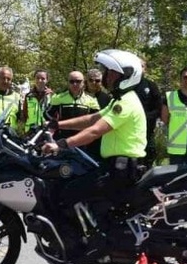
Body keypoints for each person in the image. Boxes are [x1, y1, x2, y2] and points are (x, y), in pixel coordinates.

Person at [40, 49, 148, 195]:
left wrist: (59, 145)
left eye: (112, 73)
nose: (107, 77)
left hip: (123, 169)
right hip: (116, 166)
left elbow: (95, 131)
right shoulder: (119, 100)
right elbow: (92, 119)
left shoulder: (125, 103)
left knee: (71, 192)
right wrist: (57, 124)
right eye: (107, 72)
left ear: (127, 76)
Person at [48, 72, 100, 144]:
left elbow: (96, 119)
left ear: (83, 83)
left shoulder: (91, 100)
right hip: (61, 138)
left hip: (82, 139)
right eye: (71, 81)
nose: (75, 84)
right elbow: (47, 114)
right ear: (68, 83)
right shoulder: (58, 97)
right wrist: (55, 123)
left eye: (78, 81)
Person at [135, 60, 164, 167]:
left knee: (149, 156)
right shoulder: (126, 85)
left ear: (145, 69)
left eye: (142, 66)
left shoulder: (151, 85)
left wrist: (145, 117)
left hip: (147, 130)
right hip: (131, 132)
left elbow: (159, 108)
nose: (139, 68)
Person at [18, 68, 53, 133]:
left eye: (43, 78)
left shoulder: (51, 96)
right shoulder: (28, 96)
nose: (40, 80)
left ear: (47, 80)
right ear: (34, 79)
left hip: (46, 130)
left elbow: (54, 116)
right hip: (30, 131)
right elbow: (25, 114)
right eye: (37, 78)